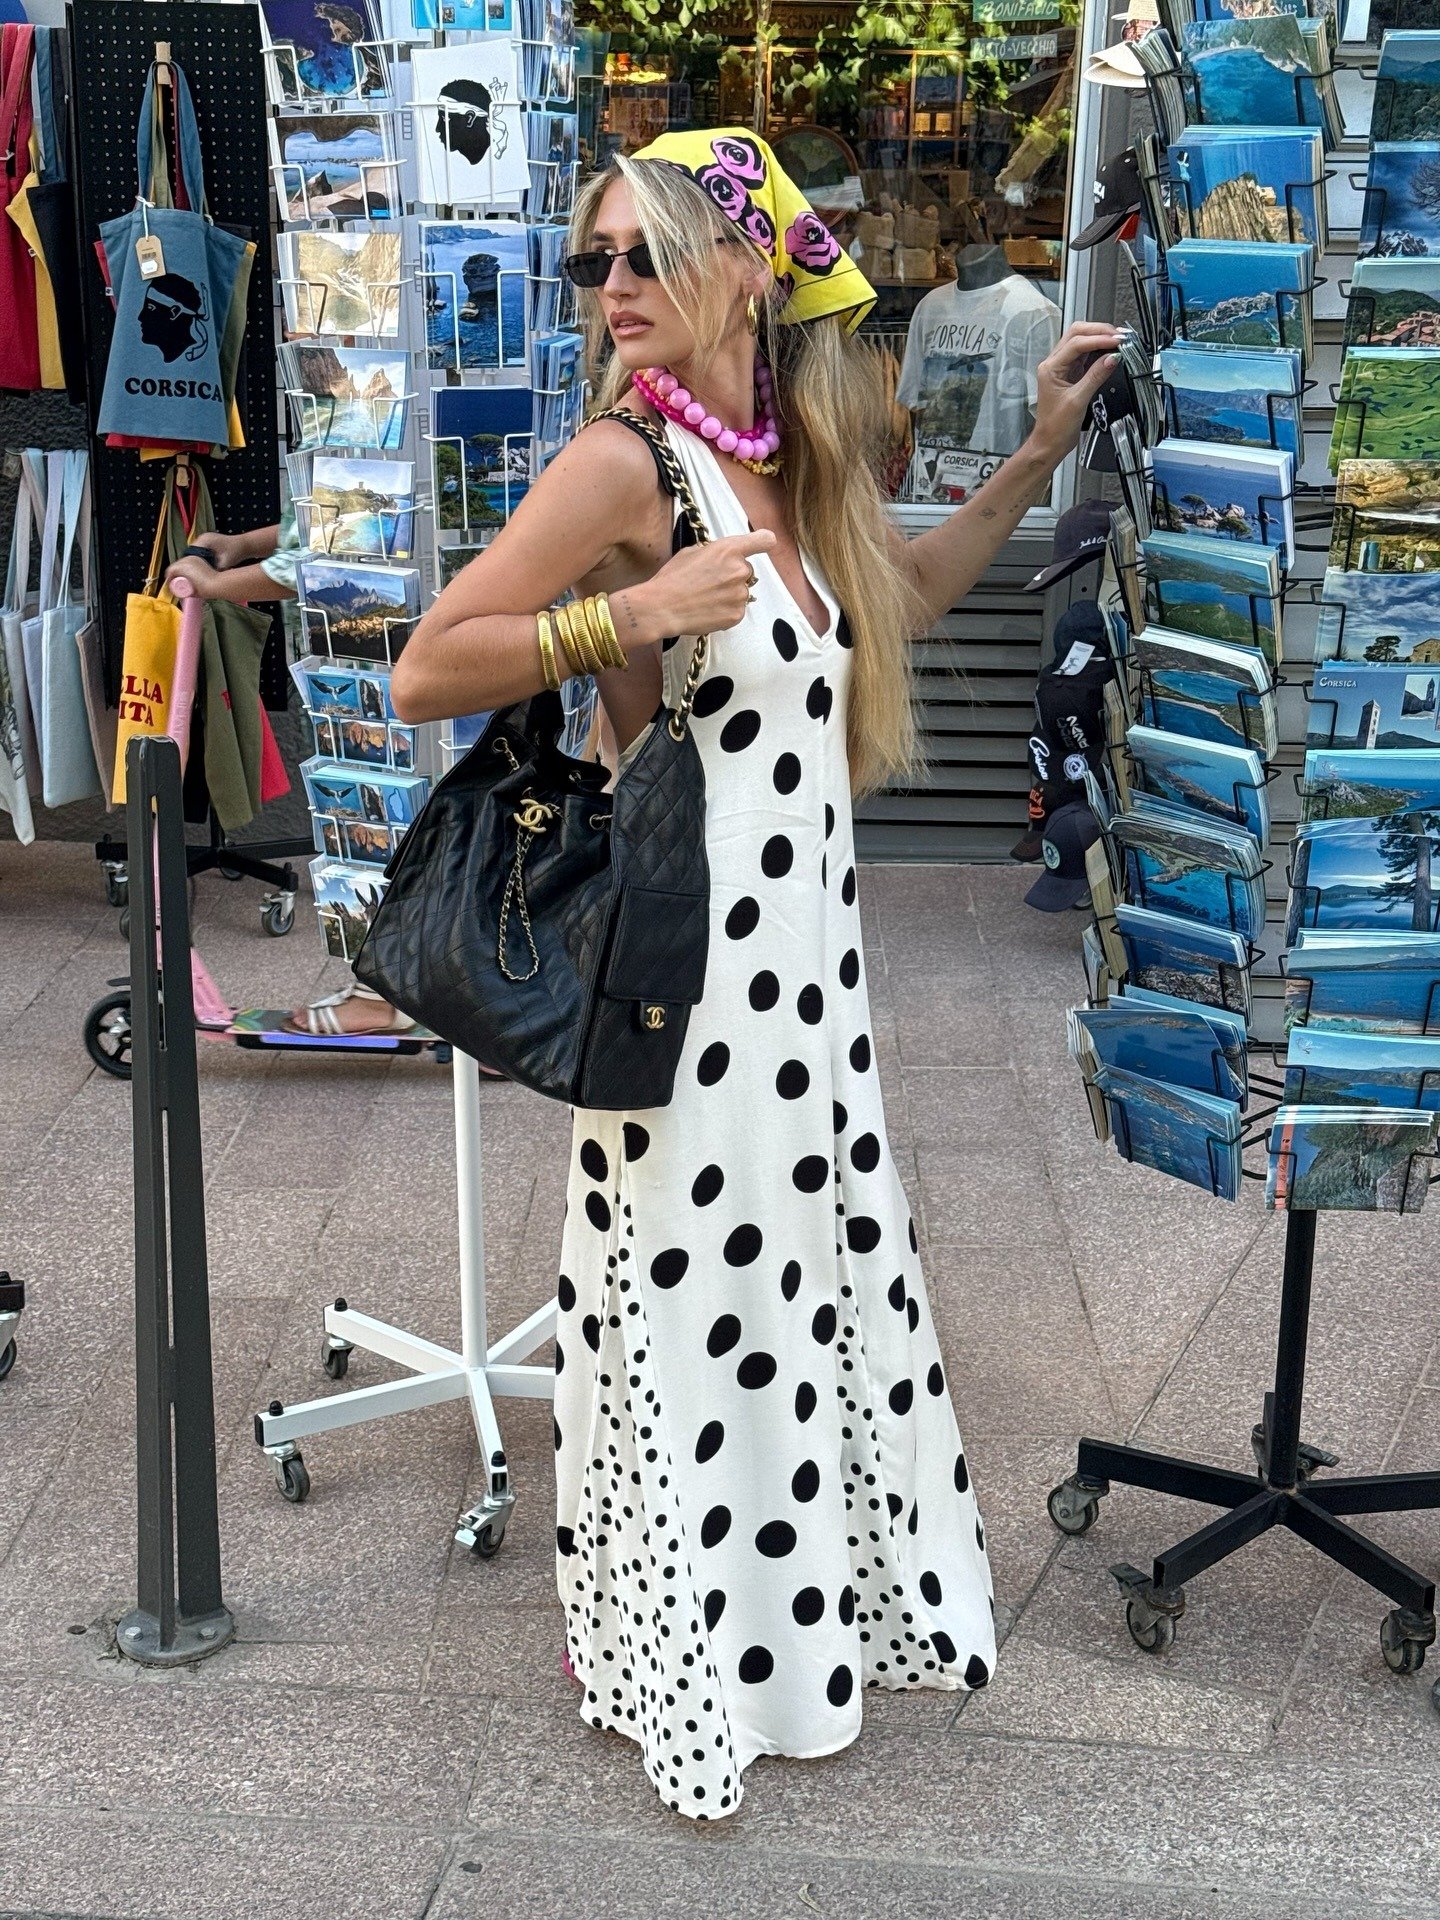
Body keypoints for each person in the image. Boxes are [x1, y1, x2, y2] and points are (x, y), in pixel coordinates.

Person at [390, 127, 1122, 1820]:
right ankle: (676, 1653)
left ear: (744, 267)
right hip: (685, 985)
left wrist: (1031, 461)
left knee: (799, 1302)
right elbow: (435, 664)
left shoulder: (787, 455)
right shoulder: (625, 469)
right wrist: (624, 623)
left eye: (643, 254)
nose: (615, 290)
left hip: (811, 993)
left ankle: (797, 1631)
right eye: (596, 263)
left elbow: (903, 596)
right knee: (688, 1314)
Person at [165, 513, 424, 1041]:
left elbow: (320, 556)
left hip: (397, 668)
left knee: (375, 829)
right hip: (427, 657)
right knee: (429, 824)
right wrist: (242, 542)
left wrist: (218, 583)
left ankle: (382, 999)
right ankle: (467, 994)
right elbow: (337, 518)